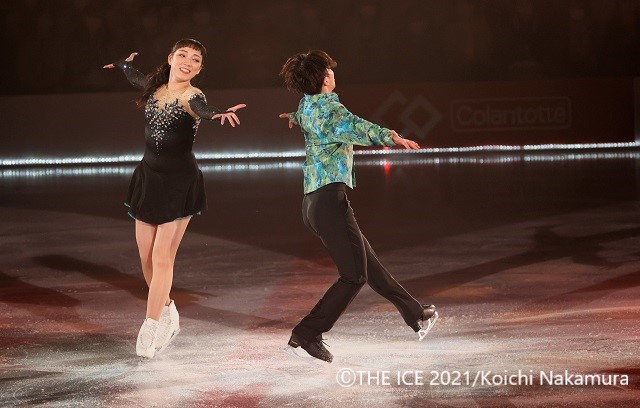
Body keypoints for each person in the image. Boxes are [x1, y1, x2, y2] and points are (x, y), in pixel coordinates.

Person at [278, 50, 438, 363]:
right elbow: (358, 126)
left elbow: (310, 117)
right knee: (353, 275)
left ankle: (415, 313)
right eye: (330, 71)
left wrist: (295, 118)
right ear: (326, 79)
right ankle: (308, 332)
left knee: (370, 265)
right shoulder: (331, 109)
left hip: (313, 203)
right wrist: (393, 137)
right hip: (328, 202)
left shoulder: (306, 106)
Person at [104, 38, 246, 359]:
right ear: (170, 58)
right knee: (144, 257)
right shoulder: (154, 89)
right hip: (148, 178)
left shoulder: (192, 95)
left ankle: (152, 324)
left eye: (195, 60)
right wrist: (124, 65)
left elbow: (203, 109)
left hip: (179, 183)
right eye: (182, 55)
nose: (188, 62)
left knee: (162, 256)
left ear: (199, 68)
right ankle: (168, 310)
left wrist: (218, 113)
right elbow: (138, 78)